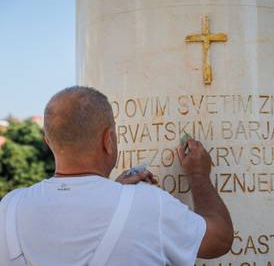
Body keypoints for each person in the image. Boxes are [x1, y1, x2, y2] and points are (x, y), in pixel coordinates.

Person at [0, 86, 233, 266]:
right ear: (108, 139)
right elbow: (219, 239)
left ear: (48, 142)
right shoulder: (147, 204)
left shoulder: (9, 207)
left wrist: (113, 190)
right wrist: (198, 174)